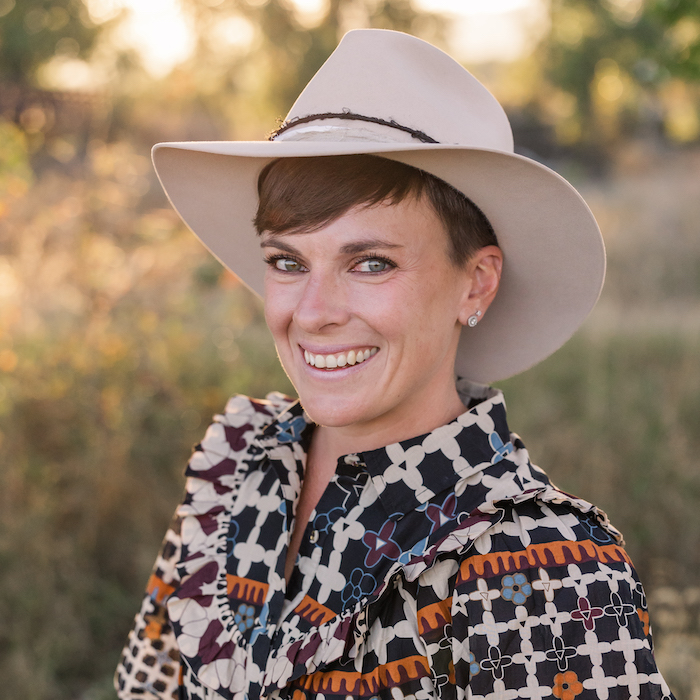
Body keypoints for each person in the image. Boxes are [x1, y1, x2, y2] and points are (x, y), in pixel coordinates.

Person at [115, 29, 674, 700]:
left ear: (476, 283)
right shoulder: (236, 467)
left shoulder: (542, 567)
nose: (314, 311)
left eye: (370, 262)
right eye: (287, 262)